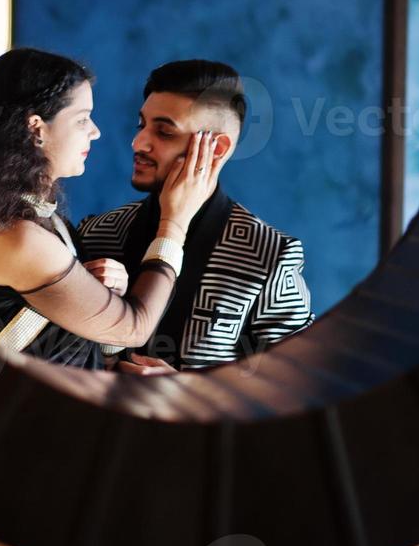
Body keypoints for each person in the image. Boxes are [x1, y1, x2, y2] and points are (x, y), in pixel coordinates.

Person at [0, 48, 224, 369]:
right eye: (82, 119)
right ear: (37, 129)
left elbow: (71, 347)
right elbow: (133, 329)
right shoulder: (15, 236)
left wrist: (114, 349)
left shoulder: (46, 219)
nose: (95, 131)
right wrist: (175, 221)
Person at [77, 60, 312, 374]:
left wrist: (187, 393)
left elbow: (300, 386)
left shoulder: (270, 257)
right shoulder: (96, 233)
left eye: (163, 132)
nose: (138, 143)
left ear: (217, 148)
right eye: (141, 125)